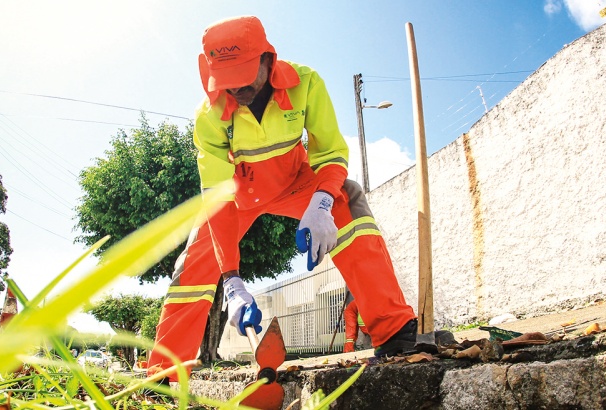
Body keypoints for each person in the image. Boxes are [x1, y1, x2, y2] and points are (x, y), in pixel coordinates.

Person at [147, 15, 438, 383]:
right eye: (227, 80)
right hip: (237, 197)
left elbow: (331, 153)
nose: (236, 88)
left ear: (269, 59)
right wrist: (232, 280)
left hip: (296, 182)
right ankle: (162, 372)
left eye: (245, 74)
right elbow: (217, 198)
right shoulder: (209, 116)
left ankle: (395, 330)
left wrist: (321, 203)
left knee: (348, 199)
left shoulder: (305, 83)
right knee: (192, 266)